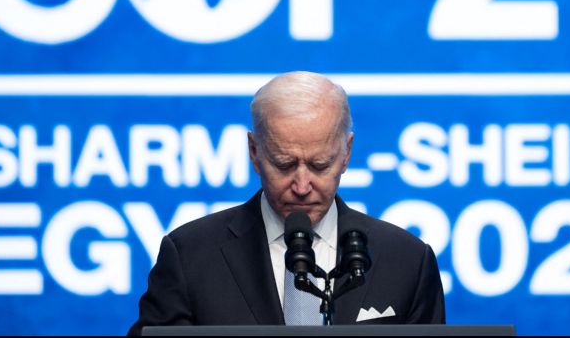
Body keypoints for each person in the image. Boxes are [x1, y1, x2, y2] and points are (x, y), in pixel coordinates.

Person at [128, 72, 445, 334]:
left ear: (346, 153)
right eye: (284, 164)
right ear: (254, 152)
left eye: (320, 165)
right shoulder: (190, 256)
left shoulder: (406, 261)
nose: (302, 186)